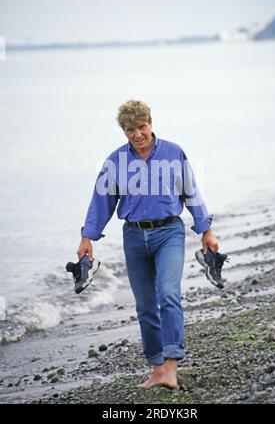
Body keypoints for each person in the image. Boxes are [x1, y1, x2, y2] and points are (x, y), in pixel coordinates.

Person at [76, 100, 219, 389]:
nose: (137, 134)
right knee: (144, 306)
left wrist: (206, 231)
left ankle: (172, 364)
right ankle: (156, 368)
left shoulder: (172, 152)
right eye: (130, 130)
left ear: (150, 123)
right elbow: (101, 202)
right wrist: (87, 238)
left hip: (169, 233)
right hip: (134, 237)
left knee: (167, 294)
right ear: (124, 131)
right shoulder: (115, 161)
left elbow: (191, 191)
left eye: (141, 127)